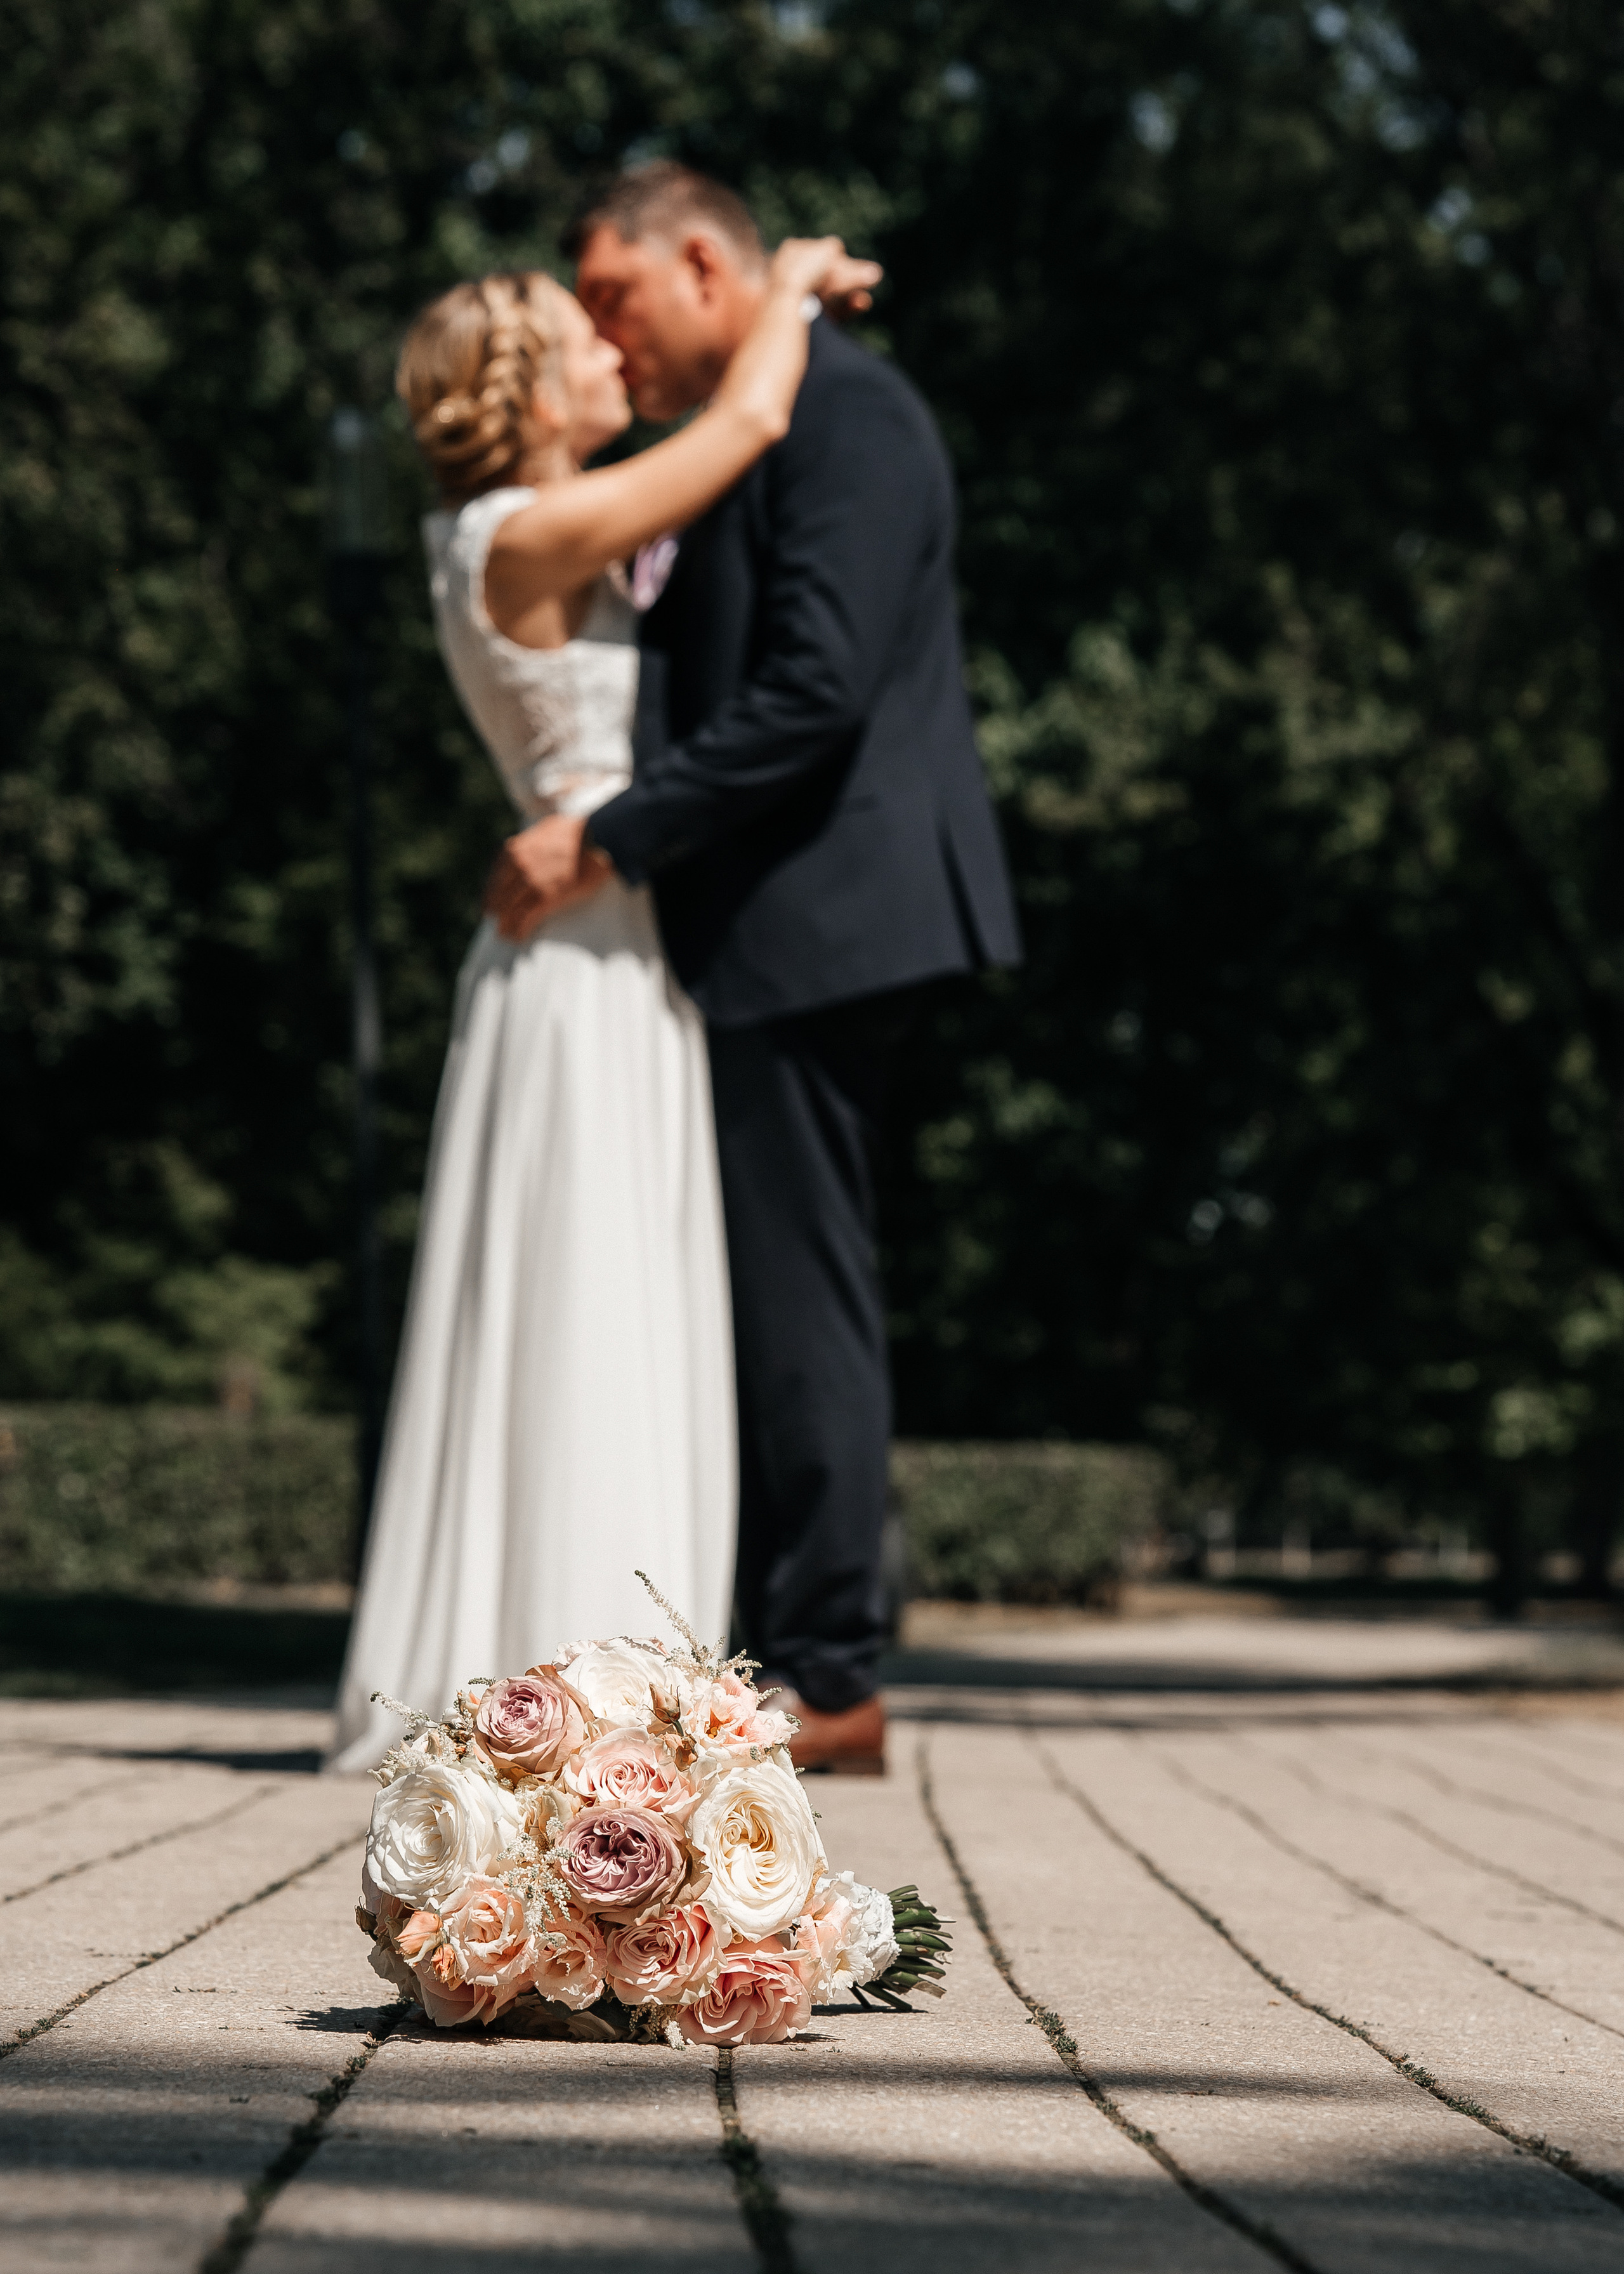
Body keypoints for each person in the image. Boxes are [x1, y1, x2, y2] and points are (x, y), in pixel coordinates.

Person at [327, 233, 881, 1773]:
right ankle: (574, 1684)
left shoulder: (530, 528)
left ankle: (608, 1674)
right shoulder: (521, 528)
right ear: (526, 390)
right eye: (583, 337)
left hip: (612, 945)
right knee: (588, 1296)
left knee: (618, 1292)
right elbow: (748, 422)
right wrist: (787, 288)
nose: (610, 354)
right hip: (579, 962)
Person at [499, 165, 1021, 1774]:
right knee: (749, 1290)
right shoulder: (742, 427)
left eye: (616, 297)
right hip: (756, 919)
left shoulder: (850, 420)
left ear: (703, 267)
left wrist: (610, 836)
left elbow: (814, 685)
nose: (607, 335)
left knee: (800, 1292)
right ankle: (757, 1639)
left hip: (826, 912)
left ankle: (827, 1672)